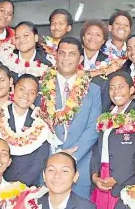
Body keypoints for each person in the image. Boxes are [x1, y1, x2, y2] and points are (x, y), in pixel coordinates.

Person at [40, 37, 102, 199]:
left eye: (72, 54)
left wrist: (69, 157)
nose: (66, 58)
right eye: (62, 53)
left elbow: (93, 128)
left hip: (79, 165)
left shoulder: (93, 90)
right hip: (47, 164)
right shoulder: (41, 86)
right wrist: (55, 155)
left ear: (80, 59)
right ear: (56, 56)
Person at [91, 72, 135, 209]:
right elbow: (97, 149)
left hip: (123, 182)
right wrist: (94, 175)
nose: (116, 91)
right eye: (112, 87)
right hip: (102, 178)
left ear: (131, 90)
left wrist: (116, 178)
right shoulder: (106, 116)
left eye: (121, 86)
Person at [0, 74, 53, 186]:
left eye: (31, 92)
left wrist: (21, 185)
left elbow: (40, 159)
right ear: (13, 88)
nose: (26, 95)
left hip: (29, 186)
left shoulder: (40, 122)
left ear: (36, 96)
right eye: (22, 89)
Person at [80, 19, 114, 112]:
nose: (93, 37)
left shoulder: (110, 63)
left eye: (98, 35)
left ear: (103, 40)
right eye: (89, 33)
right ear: (83, 37)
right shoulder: (73, 58)